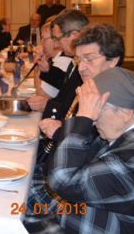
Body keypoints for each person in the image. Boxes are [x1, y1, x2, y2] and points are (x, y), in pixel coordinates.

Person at [24, 22, 125, 227]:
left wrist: (64, 130)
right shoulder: (89, 85)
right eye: (79, 59)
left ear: (113, 60)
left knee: (14, 204)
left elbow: (94, 159)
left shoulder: (118, 101)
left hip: (87, 202)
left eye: (89, 59)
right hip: (69, 178)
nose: (81, 67)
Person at [29, 67, 134, 233]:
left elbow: (62, 180)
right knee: (27, 184)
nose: (92, 122)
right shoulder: (120, 134)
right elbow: (85, 156)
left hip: (107, 225)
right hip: (97, 214)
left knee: (23, 204)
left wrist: (84, 117)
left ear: (125, 113)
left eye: (96, 111)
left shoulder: (127, 161)